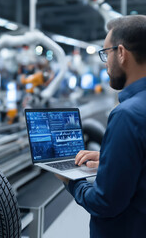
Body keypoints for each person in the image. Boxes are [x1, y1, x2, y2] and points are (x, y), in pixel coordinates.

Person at [56, 15, 146, 238]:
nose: (105, 63)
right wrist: (111, 159)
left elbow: (105, 203)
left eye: (106, 53)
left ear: (122, 53)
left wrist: (71, 181)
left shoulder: (127, 115)